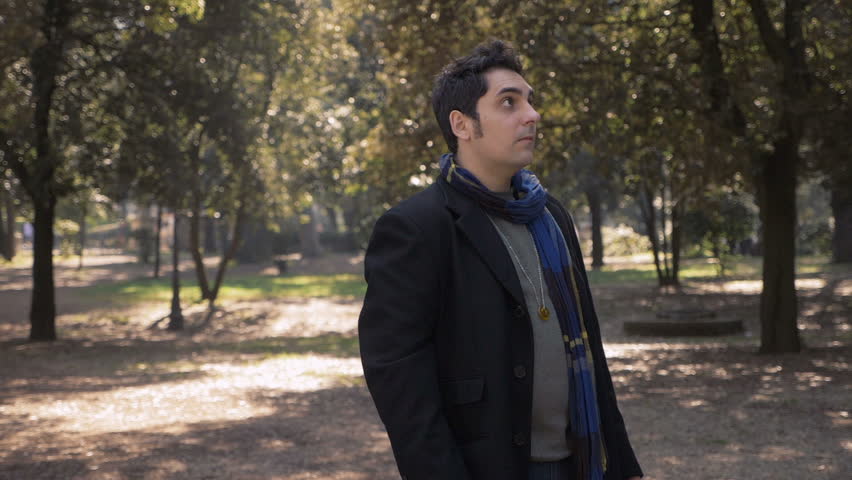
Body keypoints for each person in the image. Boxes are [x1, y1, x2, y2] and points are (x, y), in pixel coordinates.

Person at [358, 39, 643, 480]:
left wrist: (620, 464)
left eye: (529, 100)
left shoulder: (552, 216)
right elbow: (398, 380)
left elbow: (591, 352)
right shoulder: (417, 227)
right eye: (508, 102)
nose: (532, 115)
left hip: (583, 463)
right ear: (463, 124)